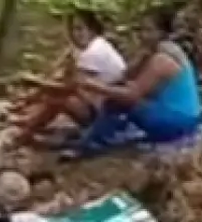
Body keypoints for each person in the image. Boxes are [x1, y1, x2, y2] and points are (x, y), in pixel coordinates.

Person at [76, 7, 202, 146]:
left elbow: (132, 95)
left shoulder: (162, 59)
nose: (142, 35)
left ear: (161, 33)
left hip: (178, 122)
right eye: (141, 30)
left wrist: (93, 85)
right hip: (181, 116)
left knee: (117, 101)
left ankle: (94, 143)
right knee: (117, 93)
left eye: (148, 30)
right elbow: (126, 76)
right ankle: (96, 138)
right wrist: (141, 57)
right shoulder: (157, 51)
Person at [13, 10, 126, 144]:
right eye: (73, 30)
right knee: (55, 87)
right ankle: (30, 120)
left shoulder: (94, 52)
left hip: (106, 110)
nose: (75, 34)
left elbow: (70, 87)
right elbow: (66, 77)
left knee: (57, 98)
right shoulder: (96, 45)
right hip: (106, 103)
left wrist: (36, 82)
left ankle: (27, 132)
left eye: (80, 29)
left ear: (92, 30)